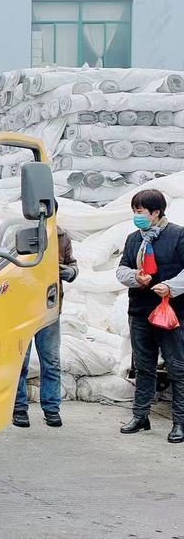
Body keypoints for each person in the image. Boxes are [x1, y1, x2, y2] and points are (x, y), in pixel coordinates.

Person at [116, 188, 184, 444]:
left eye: (140, 212)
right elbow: (121, 268)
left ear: (156, 212)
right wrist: (135, 277)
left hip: (171, 312)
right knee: (144, 367)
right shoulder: (134, 239)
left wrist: (170, 286)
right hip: (140, 310)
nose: (136, 216)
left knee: (177, 368)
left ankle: (179, 422)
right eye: (134, 211)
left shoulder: (178, 235)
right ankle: (140, 415)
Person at [13, 200, 78, 428]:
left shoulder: (62, 238)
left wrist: (67, 271)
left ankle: (51, 408)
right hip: (22, 309)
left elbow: (73, 267)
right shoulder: (20, 236)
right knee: (19, 361)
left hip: (50, 309)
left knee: (51, 361)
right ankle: (19, 407)